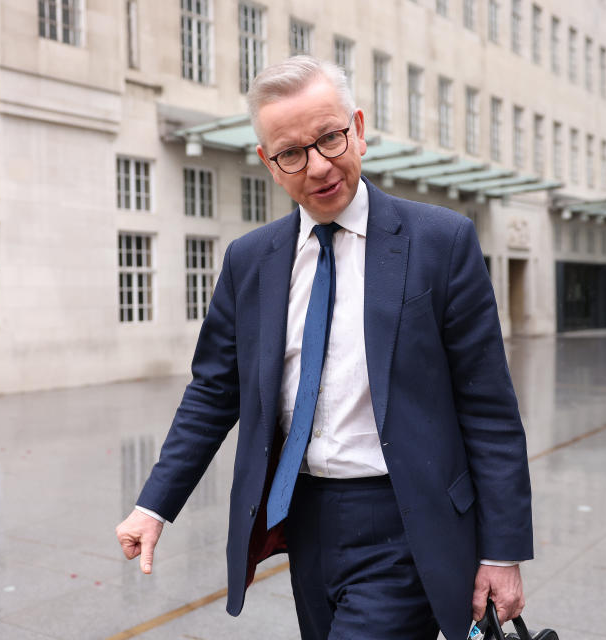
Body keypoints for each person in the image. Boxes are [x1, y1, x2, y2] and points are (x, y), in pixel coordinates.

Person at [115, 56, 533, 640]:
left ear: (357, 127)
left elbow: (488, 407)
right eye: (291, 153)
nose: (317, 166)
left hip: (407, 521)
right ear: (268, 163)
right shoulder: (250, 262)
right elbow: (213, 391)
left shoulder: (441, 242)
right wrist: (154, 506)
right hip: (304, 522)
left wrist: (502, 551)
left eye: (330, 138)